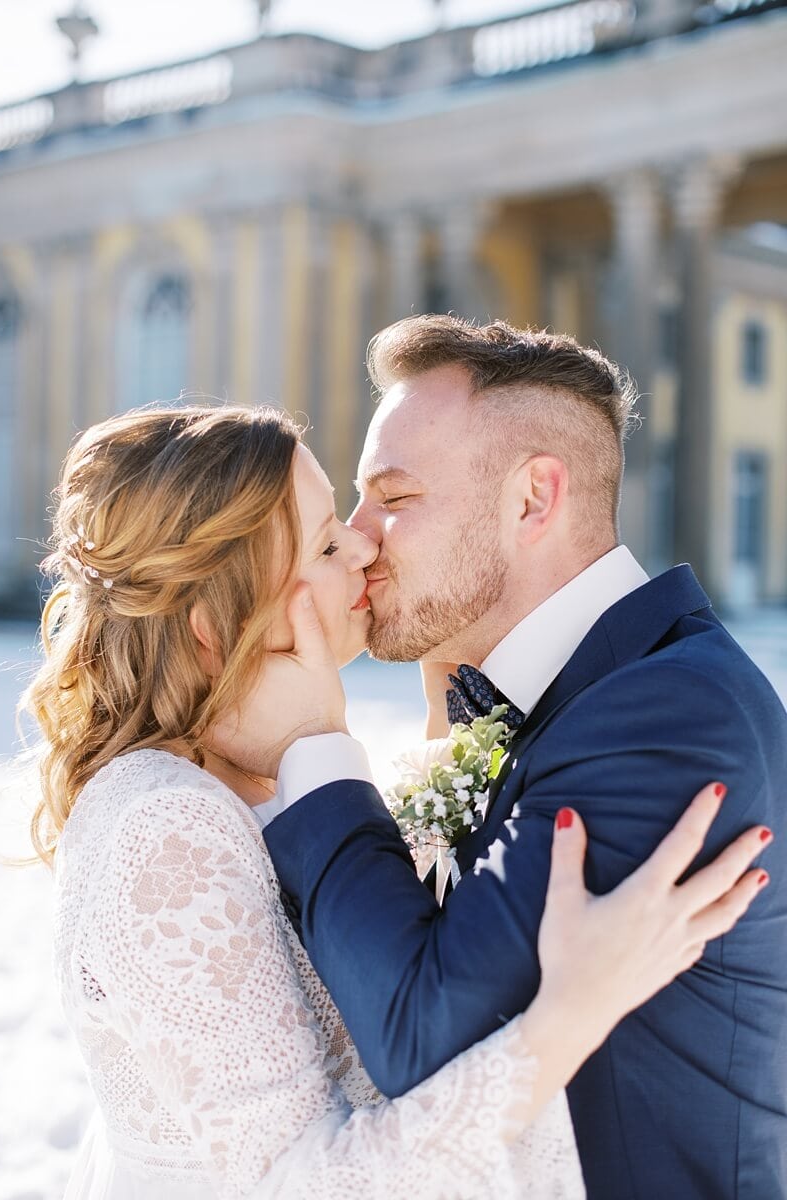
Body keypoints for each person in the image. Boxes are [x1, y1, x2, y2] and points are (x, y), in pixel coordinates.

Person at [23, 404, 768, 1200]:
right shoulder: (163, 827)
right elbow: (303, 1185)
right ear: (214, 622)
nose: (364, 545)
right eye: (324, 544)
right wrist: (575, 1014)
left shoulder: (274, 775)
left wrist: (446, 741)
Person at [258, 316, 787, 1200]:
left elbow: (418, 1036)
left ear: (533, 499)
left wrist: (313, 744)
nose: (358, 536)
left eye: (394, 495)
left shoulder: (663, 720)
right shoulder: (604, 688)